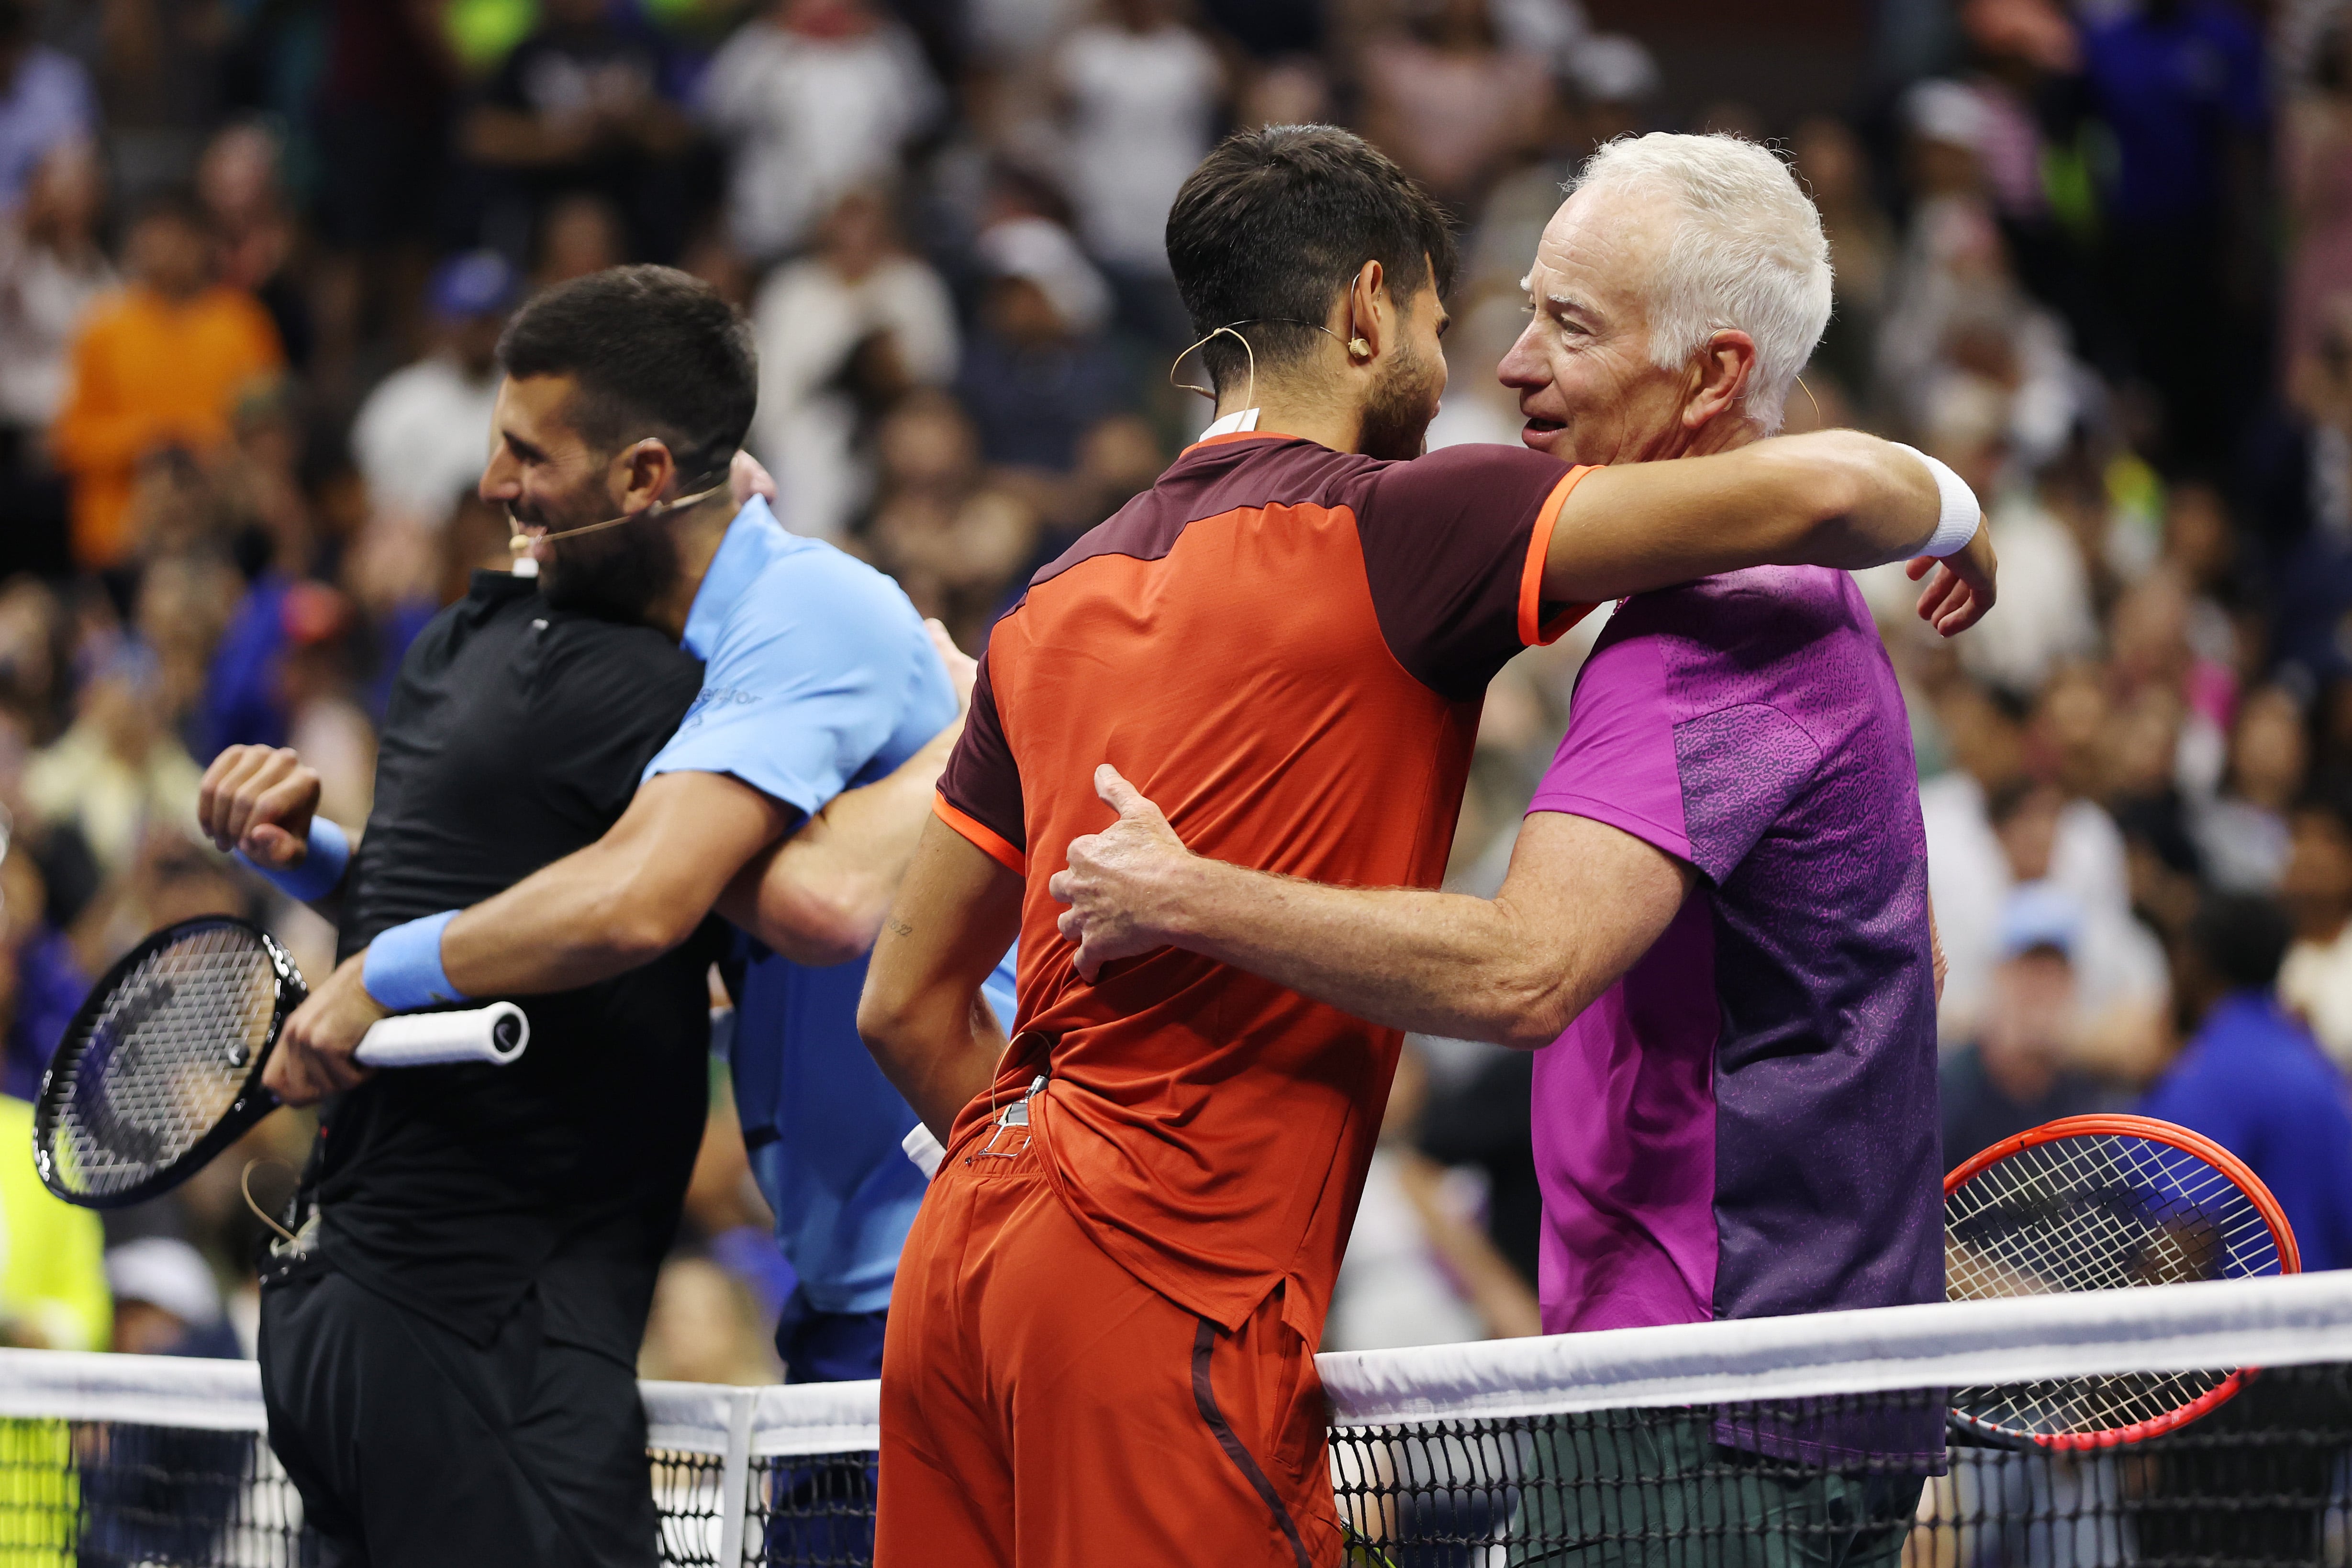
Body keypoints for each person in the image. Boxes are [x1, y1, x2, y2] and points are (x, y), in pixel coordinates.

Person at [858, 124, 1991, 1567]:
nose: (1500, 368)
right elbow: (1828, 494)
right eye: (1476, 321)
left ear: (1708, 372)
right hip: (1183, 1274)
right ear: (1364, 312)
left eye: (1561, 324)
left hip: (973, 1246)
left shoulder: (1049, 601)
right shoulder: (1419, 525)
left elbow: (899, 1004)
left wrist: (1050, 1170)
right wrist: (1956, 510)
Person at [213, 266, 1004, 1409]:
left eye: (530, 454)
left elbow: (646, 902)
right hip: (856, 1299)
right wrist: (329, 862)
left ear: (641, 478)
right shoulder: (650, 653)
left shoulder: (804, 610)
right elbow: (555, 907)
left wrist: (383, 972)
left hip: (961, 1277)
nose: (495, 484)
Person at [48, 189, 281, 570]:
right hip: (121, 537)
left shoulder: (241, 324)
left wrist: (204, 441)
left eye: (174, 238)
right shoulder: (105, 328)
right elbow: (72, 439)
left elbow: (270, 433)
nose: (161, 250)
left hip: (223, 533)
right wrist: (151, 438)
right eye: (151, 239)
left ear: (202, 243)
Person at [2140, 893, 2352, 1273]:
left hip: (2240, 1328)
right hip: (2322, 1325)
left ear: (2198, 961)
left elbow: (2184, 1234)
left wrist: (2127, 1328)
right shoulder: (2316, 1064)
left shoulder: (2212, 1072)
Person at [349, 251, 523, 533]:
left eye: (489, 319)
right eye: (468, 319)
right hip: (421, 546)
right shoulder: (401, 400)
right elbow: (370, 500)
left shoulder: (529, 397)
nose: (479, 332)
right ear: (443, 321)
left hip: (508, 537)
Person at [1940, 885, 2113, 1164]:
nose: (2042, 990)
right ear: (1998, 975)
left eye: (2056, 974)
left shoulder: (2087, 1104)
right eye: (2029, 969)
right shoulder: (1945, 1095)